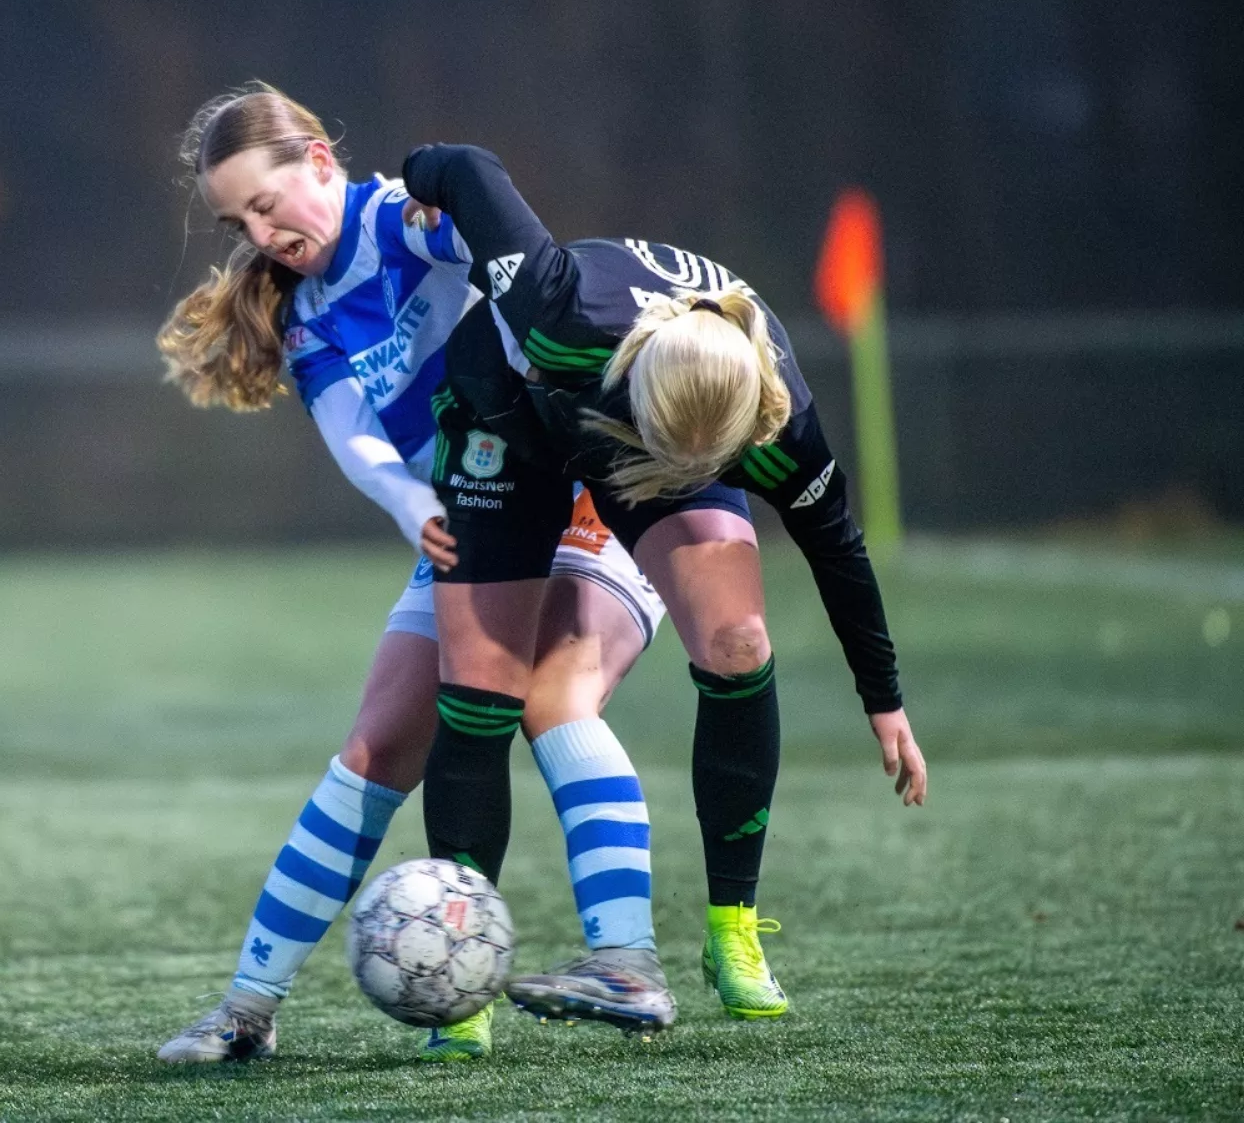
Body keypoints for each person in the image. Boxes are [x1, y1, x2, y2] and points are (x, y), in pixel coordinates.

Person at [151, 87, 674, 1064]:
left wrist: (460, 221)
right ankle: (246, 1011)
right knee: (373, 750)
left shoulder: (408, 222)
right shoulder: (307, 315)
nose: (261, 235)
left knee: (553, 700)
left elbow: (531, 274)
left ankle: (628, 962)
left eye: (268, 204)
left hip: (582, 496)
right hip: (470, 524)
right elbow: (357, 440)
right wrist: (413, 505)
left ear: (318, 161)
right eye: (240, 223)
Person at [397, 143, 928, 1028]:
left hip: (670, 430)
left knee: (737, 641)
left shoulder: (775, 414)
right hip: (513, 425)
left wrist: (887, 701)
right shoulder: (553, 309)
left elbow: (839, 552)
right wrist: (411, 193)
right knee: (483, 691)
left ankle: (733, 928)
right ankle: (463, 988)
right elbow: (464, 166)